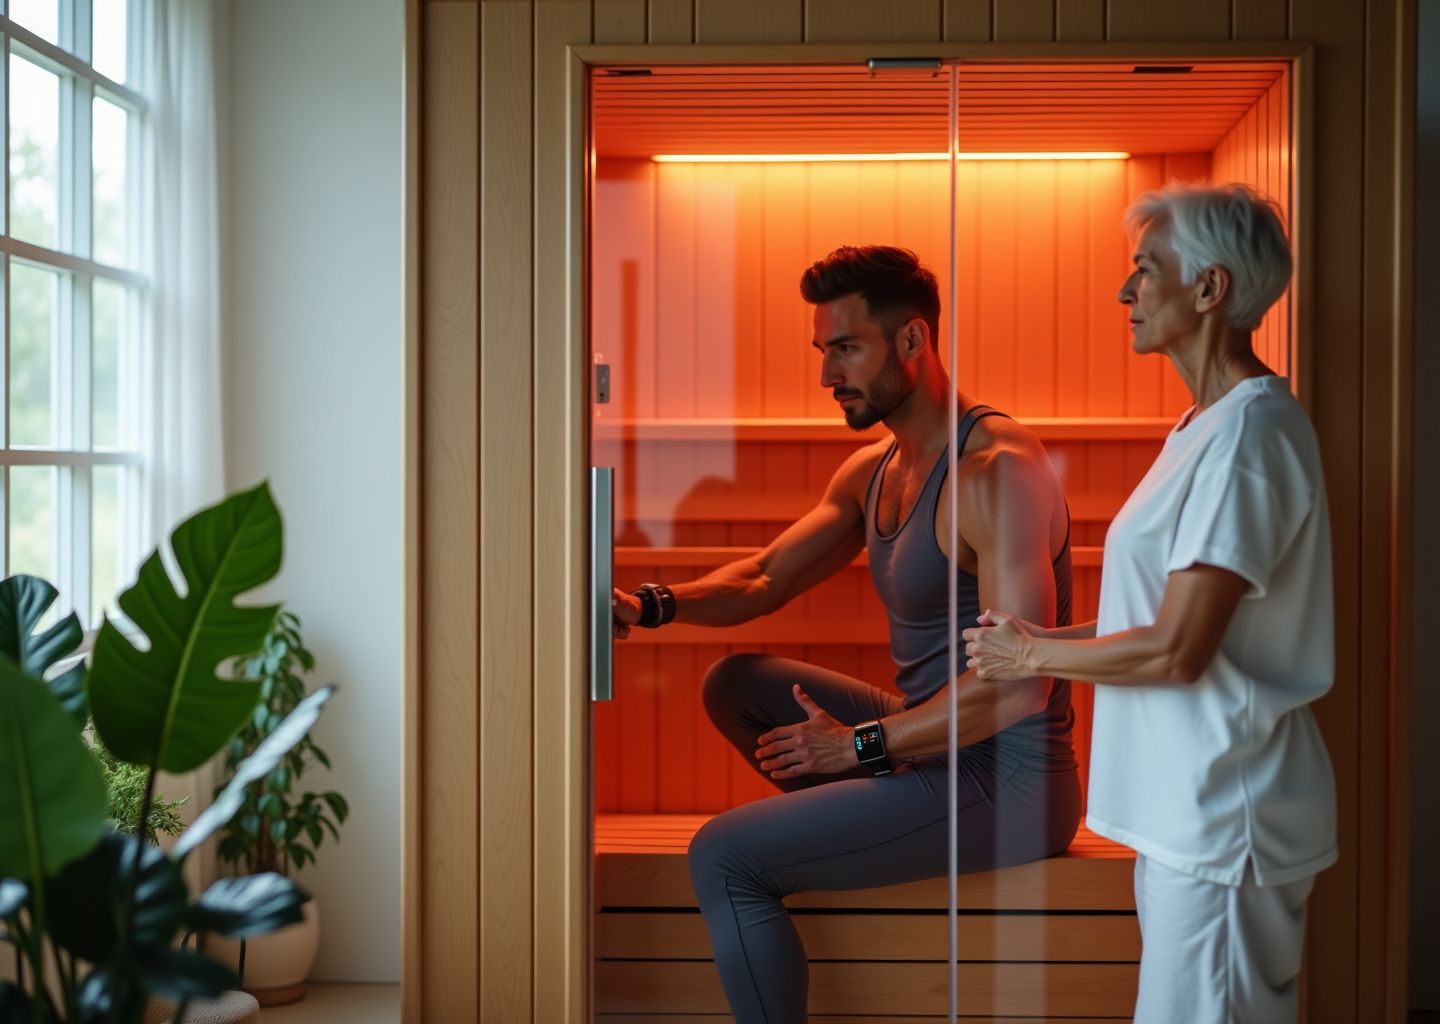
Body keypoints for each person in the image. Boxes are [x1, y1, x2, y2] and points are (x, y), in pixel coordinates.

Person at [612, 245, 1081, 1024]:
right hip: (934, 744)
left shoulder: (995, 472)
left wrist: (862, 746)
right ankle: (863, 830)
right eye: (822, 352)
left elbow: (1021, 686)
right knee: (735, 683)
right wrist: (654, 604)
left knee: (723, 855)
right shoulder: (876, 469)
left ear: (912, 341)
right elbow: (765, 577)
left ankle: (839, 834)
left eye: (844, 349)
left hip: (1012, 780)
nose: (828, 374)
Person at [964, 183, 1336, 1023]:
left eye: (1144, 270)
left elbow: (1177, 650)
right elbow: (1163, 613)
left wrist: (1032, 657)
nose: (1125, 293)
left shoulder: (1250, 436)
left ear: (1210, 289)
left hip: (1223, 817)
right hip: (1188, 812)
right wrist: (1044, 633)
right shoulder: (1200, 428)